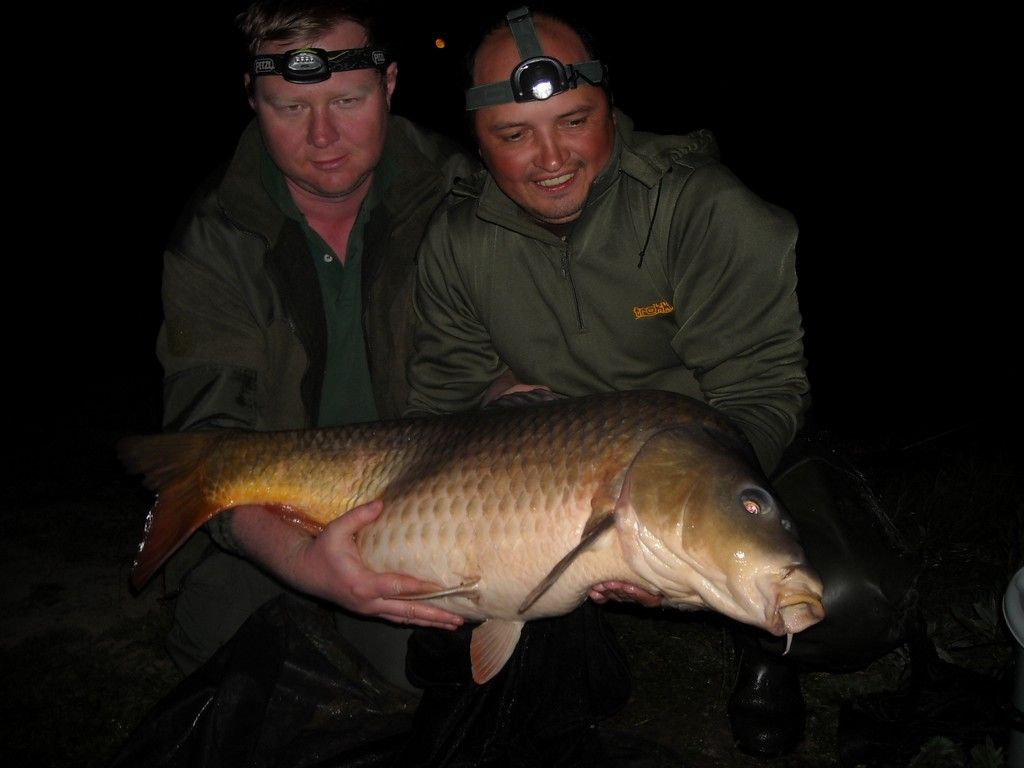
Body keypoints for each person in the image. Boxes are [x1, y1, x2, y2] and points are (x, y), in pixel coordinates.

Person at [405, 5, 917, 759]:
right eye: (514, 136)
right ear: (477, 141)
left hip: (720, 445)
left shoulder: (699, 207)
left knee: (848, 597)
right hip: (549, 473)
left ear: (610, 107)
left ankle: (766, 655)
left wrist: (675, 525)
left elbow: (761, 389)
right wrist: (493, 405)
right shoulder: (456, 242)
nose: (551, 158)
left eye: (575, 121)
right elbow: (443, 403)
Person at [154, 0, 478, 696]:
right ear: (252, 97)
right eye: (291, 108)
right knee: (231, 669)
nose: (323, 136)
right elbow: (210, 437)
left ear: (389, 83)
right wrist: (303, 561)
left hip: (423, 507)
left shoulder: (461, 194)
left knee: (431, 674)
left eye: (348, 101)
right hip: (270, 515)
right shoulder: (216, 233)